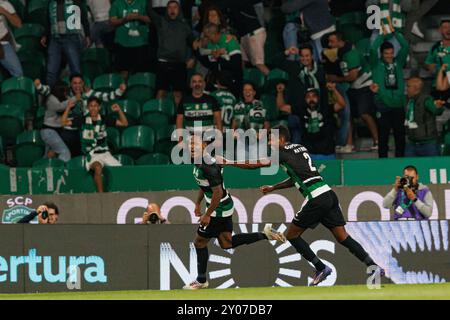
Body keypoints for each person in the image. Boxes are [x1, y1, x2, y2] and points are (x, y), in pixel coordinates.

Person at [219, 126, 385, 286]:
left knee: (291, 235)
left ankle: (321, 268)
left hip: (317, 198)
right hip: (328, 194)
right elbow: (296, 177)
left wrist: (230, 162)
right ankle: (373, 266)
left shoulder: (281, 152)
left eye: (271, 140)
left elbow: (256, 164)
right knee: (343, 237)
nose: (269, 144)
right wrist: (274, 188)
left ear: (281, 139)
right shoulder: (300, 148)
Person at [183, 135, 285, 290]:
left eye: (194, 143)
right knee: (226, 243)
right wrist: (198, 203)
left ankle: (201, 280)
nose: (191, 146)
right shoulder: (201, 161)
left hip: (219, 208)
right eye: (189, 144)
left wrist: (207, 214)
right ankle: (266, 234)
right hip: (221, 205)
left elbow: (216, 192)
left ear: (204, 145)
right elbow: (206, 186)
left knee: (199, 242)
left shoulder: (208, 165)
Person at [61, 97, 129, 193]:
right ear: (88, 107)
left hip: (106, 154)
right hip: (91, 155)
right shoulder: (82, 120)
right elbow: (63, 123)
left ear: (99, 107)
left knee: (121, 171)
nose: (93, 108)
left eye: (95, 106)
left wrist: (119, 110)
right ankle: (101, 196)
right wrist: (68, 108)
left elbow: (124, 123)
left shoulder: (104, 119)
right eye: (91, 106)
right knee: (97, 168)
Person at [327, 31, 379, 151]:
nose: (330, 44)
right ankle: (349, 144)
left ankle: (378, 141)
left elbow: (352, 76)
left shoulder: (351, 53)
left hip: (364, 85)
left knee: (364, 114)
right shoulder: (338, 53)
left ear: (340, 41)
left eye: (332, 41)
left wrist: (335, 79)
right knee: (348, 115)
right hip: (352, 88)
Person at [369, 26, 409, 158]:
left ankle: (400, 162)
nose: (389, 56)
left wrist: (394, 32)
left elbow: (405, 46)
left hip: (398, 103)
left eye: (391, 53)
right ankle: (383, 163)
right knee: (383, 136)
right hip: (383, 103)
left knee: (400, 136)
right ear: (382, 54)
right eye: (386, 53)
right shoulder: (376, 64)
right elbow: (372, 49)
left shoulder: (399, 62)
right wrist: (382, 35)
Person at [149, 0, 193, 107]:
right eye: (169, 7)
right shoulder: (161, 21)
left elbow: (193, 43)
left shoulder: (185, 25)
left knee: (178, 94)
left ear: (179, 10)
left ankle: (179, 118)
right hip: (163, 63)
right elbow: (149, 11)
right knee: (160, 92)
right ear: (166, 10)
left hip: (179, 64)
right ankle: (157, 115)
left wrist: (192, 58)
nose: (172, 10)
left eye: (175, 7)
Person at [42, 0, 90, 88]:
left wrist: (87, 35)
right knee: (51, 70)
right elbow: (48, 20)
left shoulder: (76, 1)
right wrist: (45, 35)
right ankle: (49, 96)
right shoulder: (52, 3)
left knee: (75, 69)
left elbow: (84, 18)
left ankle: (77, 95)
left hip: (71, 37)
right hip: (55, 38)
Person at [193, 23, 242, 97]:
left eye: (206, 36)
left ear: (213, 34)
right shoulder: (210, 44)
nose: (204, 39)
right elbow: (210, 64)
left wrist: (219, 58)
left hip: (232, 80)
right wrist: (196, 51)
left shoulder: (230, 41)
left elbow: (236, 65)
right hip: (218, 81)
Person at [300, 85, 345, 160]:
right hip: (309, 155)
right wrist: (280, 92)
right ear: (304, 99)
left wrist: (333, 89)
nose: (311, 99)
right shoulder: (301, 111)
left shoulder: (326, 109)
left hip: (327, 154)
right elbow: (282, 107)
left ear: (318, 98)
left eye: (314, 96)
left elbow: (341, 104)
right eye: (308, 97)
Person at [109, 0, 151, 80]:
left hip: (140, 43)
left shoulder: (143, 2)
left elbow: (151, 19)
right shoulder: (117, 3)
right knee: (123, 72)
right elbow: (112, 21)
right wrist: (124, 19)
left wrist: (139, 16)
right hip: (122, 43)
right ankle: (122, 91)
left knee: (140, 73)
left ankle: (137, 91)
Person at [404, 77, 445, 157]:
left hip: (428, 144)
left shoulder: (426, 99)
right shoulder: (408, 100)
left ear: (416, 88)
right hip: (412, 143)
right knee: (409, 167)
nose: (406, 89)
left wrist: (438, 107)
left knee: (432, 167)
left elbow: (436, 111)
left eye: (408, 86)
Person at [35, 79, 72, 162]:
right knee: (65, 153)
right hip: (49, 132)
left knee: (48, 156)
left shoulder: (60, 98)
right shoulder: (52, 99)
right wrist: (74, 99)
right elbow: (60, 107)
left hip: (52, 131)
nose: (66, 93)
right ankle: (61, 173)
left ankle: (40, 171)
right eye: (65, 91)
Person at [425, 19, 450, 102]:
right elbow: (428, 64)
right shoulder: (435, 48)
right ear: (440, 30)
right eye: (445, 27)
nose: (448, 30)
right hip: (438, 85)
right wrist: (430, 67)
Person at [0, 0, 23, 77]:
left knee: (18, 74)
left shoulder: (4, 4)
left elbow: (18, 24)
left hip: (3, 44)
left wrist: (4, 12)